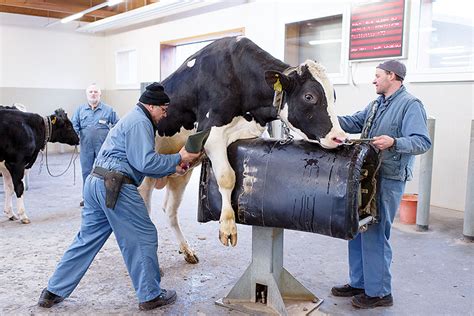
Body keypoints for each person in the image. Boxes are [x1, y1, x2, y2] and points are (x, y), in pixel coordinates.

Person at [38, 83, 201, 310]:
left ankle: (52, 290)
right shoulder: (141, 122)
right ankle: (151, 295)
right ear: (151, 106)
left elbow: (138, 161)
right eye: (163, 108)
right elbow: (144, 161)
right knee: (144, 235)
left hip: (96, 183)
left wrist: (173, 168)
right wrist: (178, 157)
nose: (165, 113)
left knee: (86, 240)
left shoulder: (131, 119)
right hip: (115, 186)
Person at [333, 60, 431, 309]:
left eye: (377, 76)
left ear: (392, 76)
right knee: (356, 227)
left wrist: (394, 142)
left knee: (375, 232)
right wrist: (325, 117)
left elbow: (422, 141)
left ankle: (379, 292)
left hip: (388, 179)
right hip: (366, 176)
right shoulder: (377, 104)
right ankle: (359, 282)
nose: (373, 80)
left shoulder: (410, 105)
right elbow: (354, 122)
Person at [72, 84, 119, 207]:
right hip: (86, 147)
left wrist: (112, 141)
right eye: (91, 92)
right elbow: (74, 126)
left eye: (95, 92)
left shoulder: (108, 110)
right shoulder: (80, 110)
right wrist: (74, 137)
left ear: (100, 94)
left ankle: (102, 197)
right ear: (87, 95)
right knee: (86, 173)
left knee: (103, 172)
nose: (93, 94)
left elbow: (117, 125)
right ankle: (87, 198)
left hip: (103, 149)